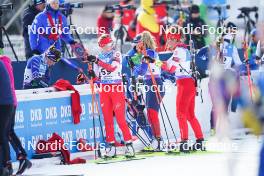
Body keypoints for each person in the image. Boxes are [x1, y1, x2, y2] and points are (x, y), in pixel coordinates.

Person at [86, 34, 134, 157]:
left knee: (120, 119)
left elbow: (112, 68)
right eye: (107, 44)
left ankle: (129, 145)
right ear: (102, 46)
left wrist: (97, 61)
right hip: (104, 90)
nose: (110, 46)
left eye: (110, 44)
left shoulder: (116, 54)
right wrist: (90, 75)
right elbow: (97, 77)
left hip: (116, 88)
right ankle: (111, 146)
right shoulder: (98, 57)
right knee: (107, 120)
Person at [162, 26, 205, 152]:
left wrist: (159, 62)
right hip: (187, 83)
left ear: (176, 39)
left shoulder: (179, 51)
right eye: (168, 38)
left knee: (180, 114)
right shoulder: (179, 49)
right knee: (190, 115)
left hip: (185, 84)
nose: (168, 41)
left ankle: (184, 141)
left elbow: (170, 69)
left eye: (171, 39)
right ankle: (200, 140)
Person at [132, 31, 165, 150]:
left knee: (152, 113)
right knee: (152, 113)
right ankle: (157, 139)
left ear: (143, 43)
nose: (136, 47)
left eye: (138, 44)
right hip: (154, 82)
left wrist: (136, 68)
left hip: (153, 83)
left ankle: (158, 139)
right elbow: (160, 65)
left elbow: (141, 71)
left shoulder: (148, 52)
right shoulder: (153, 53)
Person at [0, 56, 32, 175]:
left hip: (6, 101)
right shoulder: (6, 63)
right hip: (11, 100)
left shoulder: (2, 63)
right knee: (8, 132)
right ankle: (21, 156)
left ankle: (9, 163)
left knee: (5, 133)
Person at [209, 32, 242, 135]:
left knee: (215, 105)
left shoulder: (214, 46)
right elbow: (238, 63)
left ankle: (213, 129)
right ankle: (223, 129)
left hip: (215, 77)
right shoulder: (232, 47)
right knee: (224, 104)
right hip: (225, 78)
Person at [0, 60, 14, 176]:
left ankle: (5, 165)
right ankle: (6, 164)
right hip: (7, 103)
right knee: (3, 134)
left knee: (1, 134)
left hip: (3, 104)